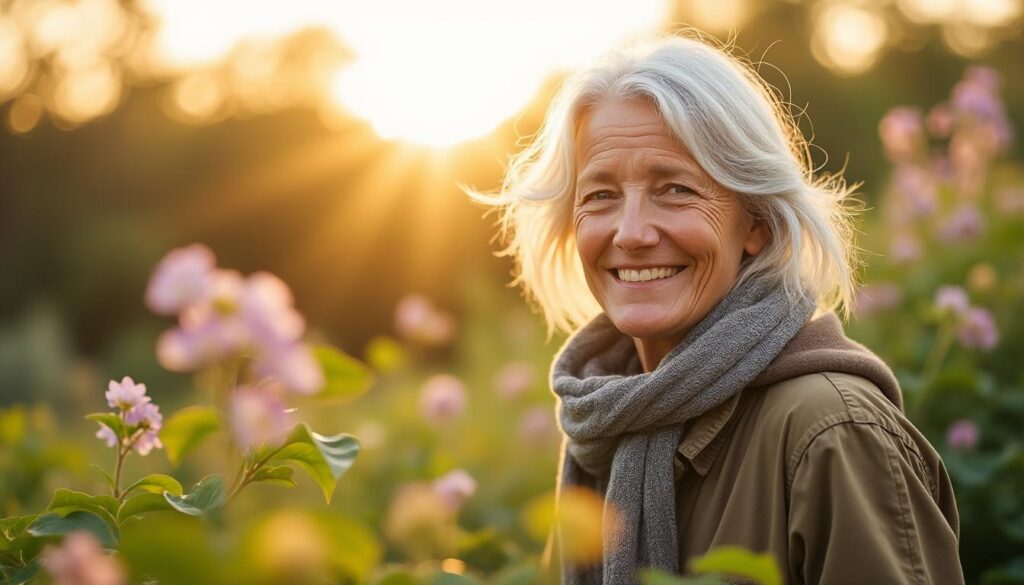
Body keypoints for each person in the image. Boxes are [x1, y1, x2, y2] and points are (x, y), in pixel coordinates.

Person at [472, 34, 964, 584]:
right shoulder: (602, 422)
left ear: (755, 222)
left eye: (676, 189)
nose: (631, 233)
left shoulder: (832, 433)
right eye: (600, 196)